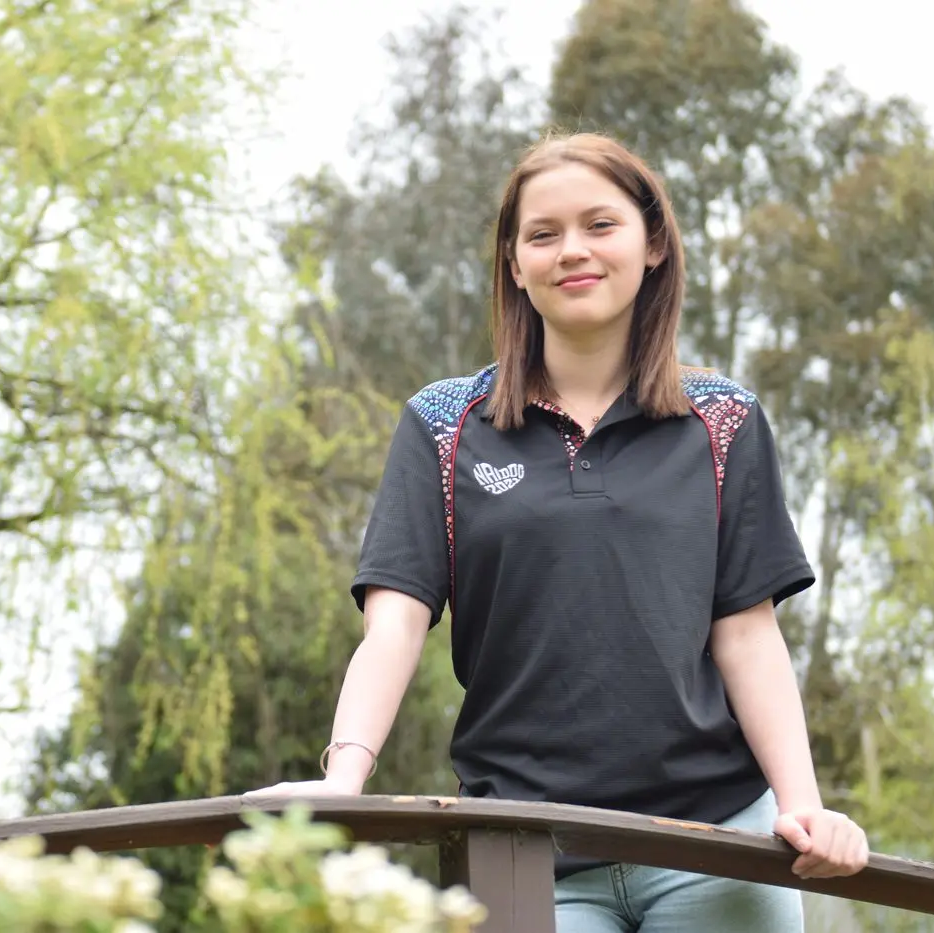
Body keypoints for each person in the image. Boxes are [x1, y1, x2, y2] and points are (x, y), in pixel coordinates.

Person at [245, 130, 869, 932]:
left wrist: (804, 806)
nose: (571, 250)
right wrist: (343, 779)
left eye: (599, 224)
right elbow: (392, 627)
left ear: (651, 245)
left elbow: (746, 635)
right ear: (513, 264)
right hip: (522, 852)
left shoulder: (723, 419)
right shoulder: (441, 425)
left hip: (717, 846)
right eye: (542, 234)